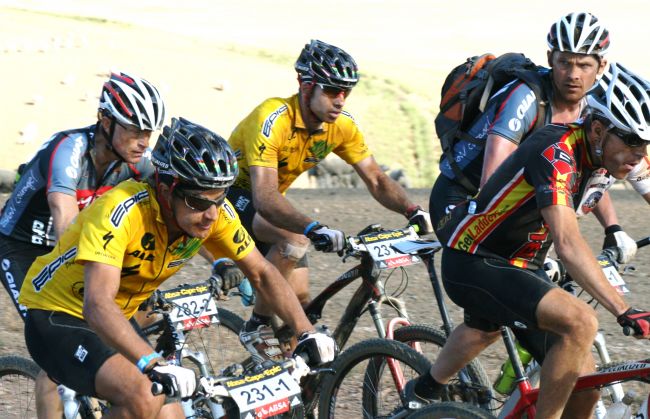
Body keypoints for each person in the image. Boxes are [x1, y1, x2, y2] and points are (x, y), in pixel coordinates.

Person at [19, 117, 337, 418]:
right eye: (200, 202)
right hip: (57, 314)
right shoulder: (120, 212)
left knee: (172, 407)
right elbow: (98, 303)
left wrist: (305, 331)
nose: (212, 214)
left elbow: (262, 272)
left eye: (220, 198)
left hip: (114, 314)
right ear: (167, 189)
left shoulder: (213, 214)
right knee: (143, 394)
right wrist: (152, 362)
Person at [410, 63, 650, 418]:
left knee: (584, 390)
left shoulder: (617, 155)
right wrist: (625, 310)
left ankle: (425, 390)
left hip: (523, 265)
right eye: (633, 141)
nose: (640, 154)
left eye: (646, 144)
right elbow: (567, 242)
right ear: (598, 129)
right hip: (476, 260)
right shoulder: (556, 152)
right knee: (582, 321)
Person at [226, 39, 433, 339]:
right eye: (333, 90)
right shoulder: (272, 118)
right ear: (307, 86)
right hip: (228, 198)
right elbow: (265, 198)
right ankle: (257, 327)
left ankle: (298, 375)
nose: (340, 100)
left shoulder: (341, 126)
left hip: (267, 205)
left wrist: (413, 211)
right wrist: (314, 228)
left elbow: (376, 178)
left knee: (299, 302)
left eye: (346, 92)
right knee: (294, 239)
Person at [0, 71, 165, 419]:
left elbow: (176, 202)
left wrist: (218, 260)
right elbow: (64, 220)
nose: (143, 142)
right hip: (19, 248)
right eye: (134, 130)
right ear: (105, 120)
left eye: (149, 133)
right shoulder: (69, 149)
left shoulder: (133, 162)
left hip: (70, 247)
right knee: (55, 343)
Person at [430, 12, 639, 265]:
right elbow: (491, 182)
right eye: (564, 62)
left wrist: (612, 228)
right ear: (550, 58)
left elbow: (591, 168)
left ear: (601, 66)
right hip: (463, 199)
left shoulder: (593, 108)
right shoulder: (525, 97)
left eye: (584, 65)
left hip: (515, 203)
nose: (573, 74)